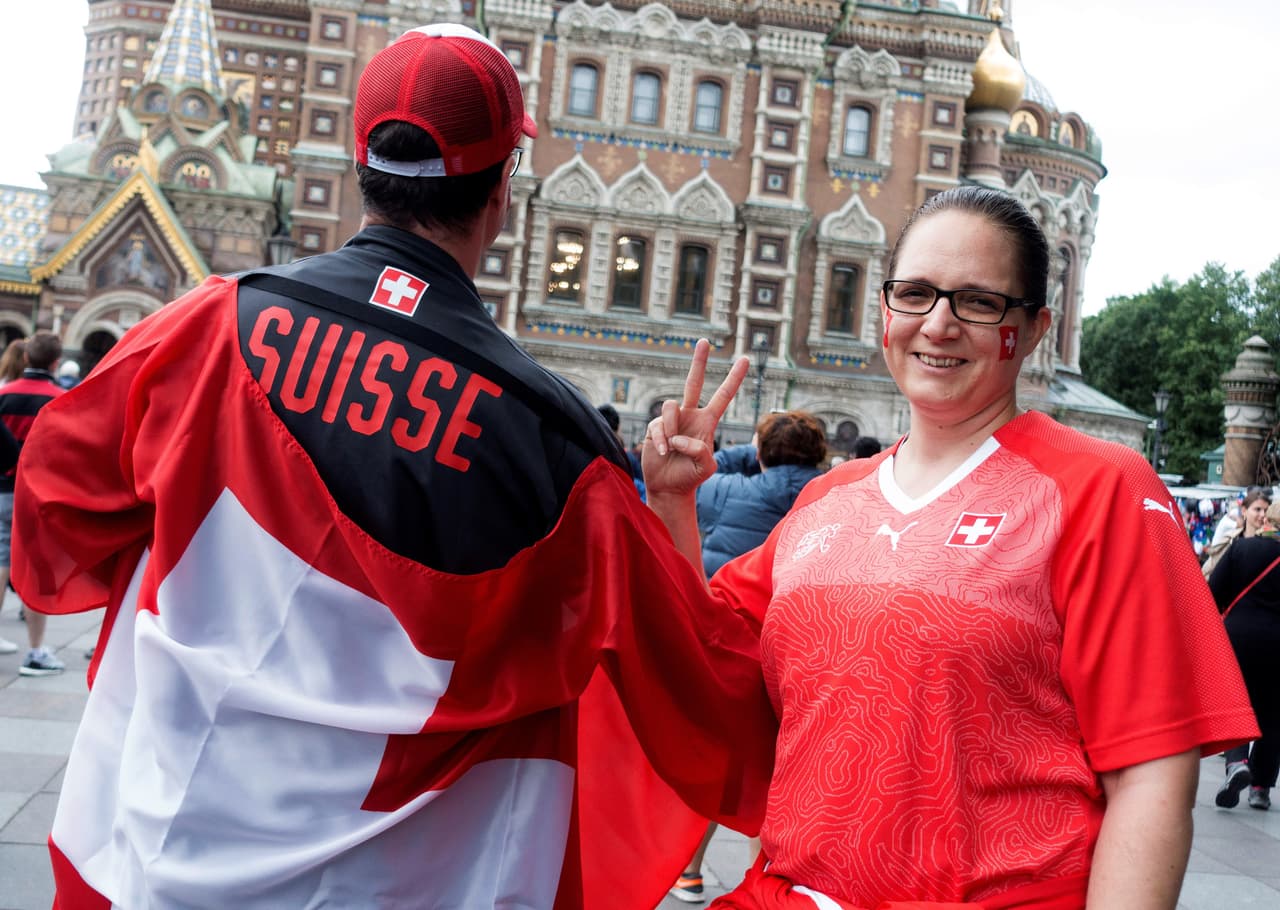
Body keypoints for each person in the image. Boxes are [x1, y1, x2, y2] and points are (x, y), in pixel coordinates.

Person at [11, 25, 776, 909]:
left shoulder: (205, 329)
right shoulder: (552, 440)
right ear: (503, 193)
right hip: (414, 881)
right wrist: (675, 506)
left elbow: (53, 518)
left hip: (170, 843)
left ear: (360, 165)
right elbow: (694, 684)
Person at [644, 185, 1257, 908]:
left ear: (1032, 329)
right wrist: (671, 503)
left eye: (978, 301)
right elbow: (699, 666)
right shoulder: (825, 501)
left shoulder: (1100, 489)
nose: (938, 324)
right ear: (887, 310)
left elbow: (1151, 771)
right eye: (916, 293)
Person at [671, 411, 826, 902]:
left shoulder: (734, 491)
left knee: (727, 765)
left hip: (735, 647)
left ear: (760, 454)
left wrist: (753, 451)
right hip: (801, 652)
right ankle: (778, 873)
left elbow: (707, 470)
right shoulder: (831, 497)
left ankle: (691, 871)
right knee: (781, 770)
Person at [0, 331, 66, 674]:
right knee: (38, 568)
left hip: (0, 490)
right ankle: (36, 651)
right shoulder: (61, 399)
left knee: (0, 561)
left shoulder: (3, 394)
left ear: (26, 358)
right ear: (56, 362)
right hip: (37, 494)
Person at [1208, 498, 1280, 811]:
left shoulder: (1242, 549)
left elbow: (1213, 592)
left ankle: (1236, 761)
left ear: (1269, 520)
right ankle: (1261, 788)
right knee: (1273, 713)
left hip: (1239, 637)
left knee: (1237, 700)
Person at [1202, 488, 1269, 578]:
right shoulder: (1230, 540)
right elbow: (1211, 570)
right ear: (1244, 511)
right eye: (1257, 509)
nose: (1262, 515)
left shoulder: (1272, 538)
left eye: (1266, 510)